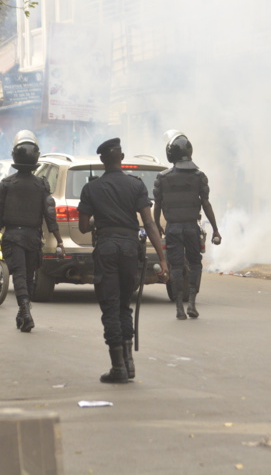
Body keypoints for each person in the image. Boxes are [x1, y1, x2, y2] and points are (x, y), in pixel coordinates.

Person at [77, 138, 168, 384]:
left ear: (102, 160)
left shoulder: (91, 188)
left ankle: (118, 367)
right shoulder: (136, 185)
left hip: (106, 248)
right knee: (124, 306)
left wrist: (99, 220)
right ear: (122, 157)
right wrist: (163, 259)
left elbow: (83, 226)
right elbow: (149, 223)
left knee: (110, 306)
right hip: (130, 249)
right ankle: (129, 363)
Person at [0, 131, 64, 332]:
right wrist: (59, 241)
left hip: (13, 237)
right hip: (33, 238)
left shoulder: (6, 184)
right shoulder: (41, 185)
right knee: (28, 276)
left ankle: (24, 311)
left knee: (20, 276)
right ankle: (24, 312)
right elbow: (50, 215)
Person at [153, 130, 221, 319]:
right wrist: (215, 229)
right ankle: (191, 303)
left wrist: (157, 225)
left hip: (173, 228)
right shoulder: (199, 176)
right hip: (192, 227)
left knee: (175, 266)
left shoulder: (163, 178)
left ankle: (179, 308)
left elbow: (157, 205)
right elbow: (206, 204)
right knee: (195, 264)